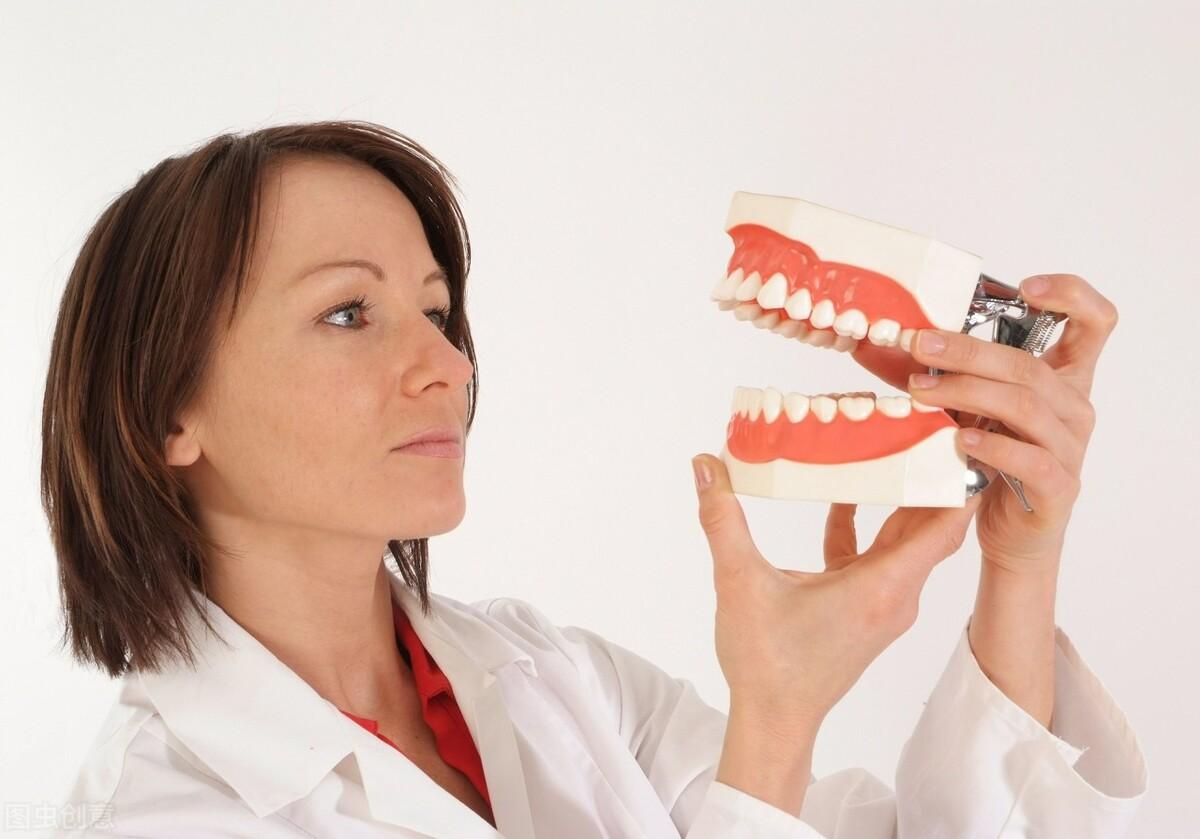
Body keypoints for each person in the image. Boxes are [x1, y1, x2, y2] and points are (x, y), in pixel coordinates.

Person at [43, 120, 1147, 838]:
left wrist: (1019, 554)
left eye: (435, 309)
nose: (447, 364)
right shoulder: (158, 813)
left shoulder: (554, 676)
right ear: (167, 408)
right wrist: (775, 720)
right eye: (347, 312)